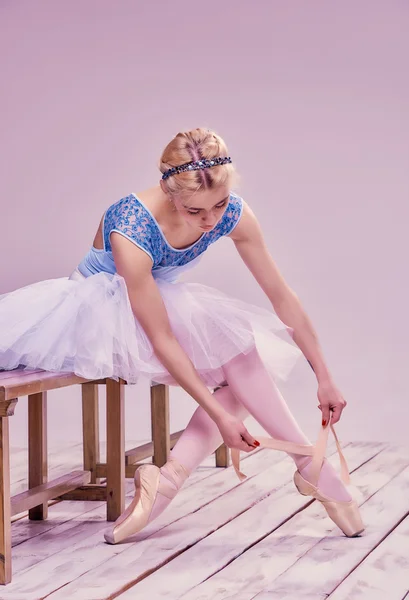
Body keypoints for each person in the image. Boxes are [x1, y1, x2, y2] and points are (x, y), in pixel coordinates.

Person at [0, 127, 364, 544]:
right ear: (168, 192)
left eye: (220, 205)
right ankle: (314, 469)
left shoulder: (232, 213)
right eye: (195, 211)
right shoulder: (130, 223)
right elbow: (161, 337)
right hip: (97, 309)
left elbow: (282, 296)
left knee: (241, 352)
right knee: (238, 354)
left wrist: (325, 376)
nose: (211, 221)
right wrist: (219, 413)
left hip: (158, 300)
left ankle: (169, 480)